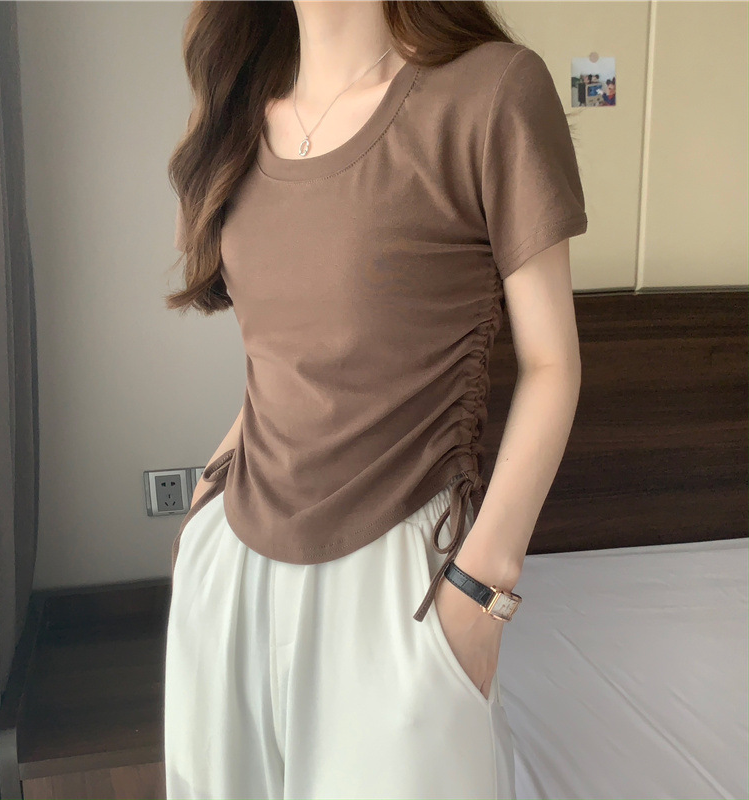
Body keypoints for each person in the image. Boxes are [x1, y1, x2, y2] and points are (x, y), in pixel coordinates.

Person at [163, 1, 587, 798]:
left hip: (401, 583)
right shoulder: (241, 111)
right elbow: (282, 361)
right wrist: (202, 517)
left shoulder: (491, 93)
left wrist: (481, 593)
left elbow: (551, 364)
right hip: (232, 567)